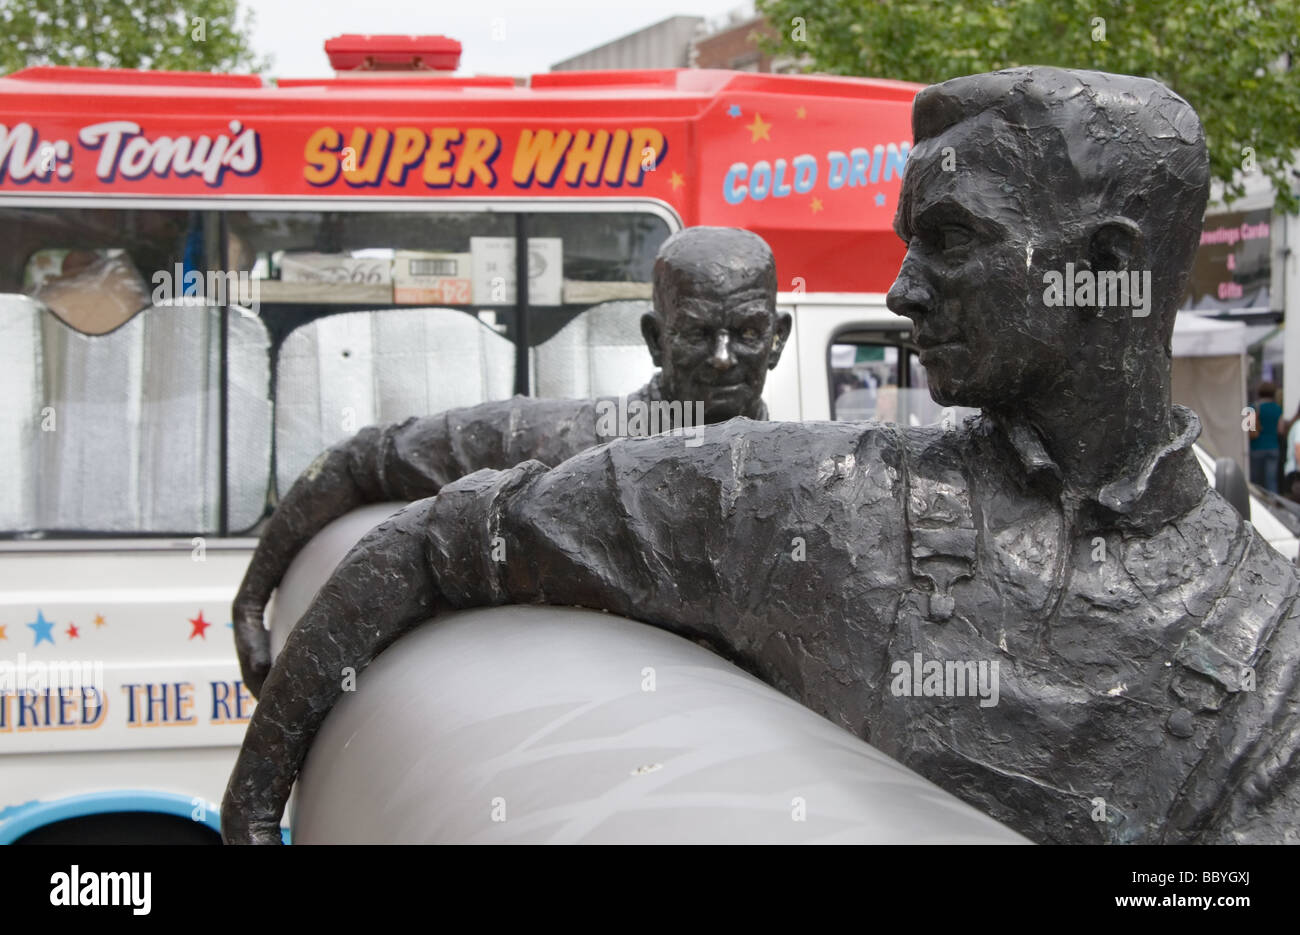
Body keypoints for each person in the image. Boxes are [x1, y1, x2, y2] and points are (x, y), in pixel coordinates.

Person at [223, 67, 1300, 846]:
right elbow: (435, 537)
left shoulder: (1273, 641)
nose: (901, 287)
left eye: (953, 239)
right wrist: (253, 802)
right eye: (905, 239)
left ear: (1100, 269)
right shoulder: (805, 496)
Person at [232, 226, 791, 696]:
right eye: (697, 332)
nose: (723, 359)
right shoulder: (564, 441)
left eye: (745, 332)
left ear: (777, 338)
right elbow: (360, 460)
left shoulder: (806, 478)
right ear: (654, 338)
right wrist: (251, 602)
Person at [1248, 381, 1283, 493]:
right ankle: (1273, 506)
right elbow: (1280, 430)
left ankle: (1258, 504)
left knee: (1257, 482)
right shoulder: (1278, 409)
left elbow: (1248, 429)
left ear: (1259, 393)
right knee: (1271, 481)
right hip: (1273, 447)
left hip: (1256, 447)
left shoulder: (1252, 408)